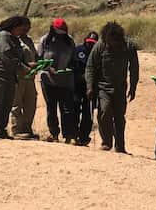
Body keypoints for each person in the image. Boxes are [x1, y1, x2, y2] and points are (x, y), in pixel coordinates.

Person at [84, 21, 139, 153]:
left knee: (120, 117)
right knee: (104, 111)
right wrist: (90, 86)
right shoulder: (100, 45)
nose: (112, 44)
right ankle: (106, 142)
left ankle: (120, 146)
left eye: (115, 41)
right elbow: (90, 67)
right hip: (103, 88)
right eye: (110, 41)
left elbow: (134, 68)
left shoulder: (129, 46)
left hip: (120, 88)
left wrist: (133, 87)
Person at [0, 15, 31, 140]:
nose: (22, 32)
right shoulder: (3, 36)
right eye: (21, 29)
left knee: (6, 104)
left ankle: (0, 130)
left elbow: (19, 59)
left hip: (10, 76)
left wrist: (30, 65)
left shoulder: (15, 39)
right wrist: (23, 68)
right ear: (14, 27)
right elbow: (7, 55)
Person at [38, 18, 79, 143]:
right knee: (51, 108)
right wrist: (48, 68)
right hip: (48, 80)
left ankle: (68, 135)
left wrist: (69, 67)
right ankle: (54, 134)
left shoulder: (70, 41)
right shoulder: (45, 40)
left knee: (66, 109)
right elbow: (38, 59)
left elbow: (74, 59)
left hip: (66, 81)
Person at [10, 19, 40, 139]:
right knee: (17, 104)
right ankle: (17, 129)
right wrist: (27, 65)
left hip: (30, 78)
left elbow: (35, 55)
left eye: (29, 27)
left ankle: (27, 129)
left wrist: (39, 63)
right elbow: (13, 59)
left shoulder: (29, 40)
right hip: (18, 77)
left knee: (30, 104)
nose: (27, 29)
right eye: (25, 27)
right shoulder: (13, 40)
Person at [71, 31, 98, 146]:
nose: (90, 45)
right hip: (77, 85)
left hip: (91, 87)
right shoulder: (78, 50)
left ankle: (84, 137)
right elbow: (73, 66)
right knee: (75, 110)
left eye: (93, 43)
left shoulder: (98, 54)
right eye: (89, 42)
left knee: (88, 113)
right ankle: (73, 135)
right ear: (85, 41)